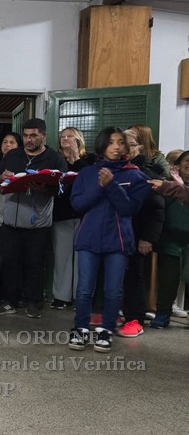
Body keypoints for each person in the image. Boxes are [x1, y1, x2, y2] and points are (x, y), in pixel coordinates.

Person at [68, 127, 149, 352]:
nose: (116, 146)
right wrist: (101, 186)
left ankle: (106, 330)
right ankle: (80, 328)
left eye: (120, 142)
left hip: (119, 240)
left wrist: (111, 185)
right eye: (112, 142)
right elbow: (78, 204)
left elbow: (129, 208)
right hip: (89, 238)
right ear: (102, 145)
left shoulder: (135, 175)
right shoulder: (86, 173)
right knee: (84, 288)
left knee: (113, 290)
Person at [0, 118, 68, 319]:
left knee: (34, 264)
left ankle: (33, 302)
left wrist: (44, 188)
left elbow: (63, 188)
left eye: (33, 135)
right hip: (10, 219)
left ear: (44, 135)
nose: (28, 139)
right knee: (9, 262)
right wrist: (2, 177)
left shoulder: (55, 158)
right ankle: (9, 301)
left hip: (38, 221)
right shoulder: (13, 155)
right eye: (25, 135)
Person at [117, 129, 164, 337]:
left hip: (137, 233)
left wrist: (147, 237)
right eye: (120, 143)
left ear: (139, 147)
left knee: (134, 277)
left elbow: (156, 207)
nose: (124, 148)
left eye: (130, 144)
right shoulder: (113, 168)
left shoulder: (146, 171)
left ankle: (135, 319)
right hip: (114, 232)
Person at [147, 151, 189, 329]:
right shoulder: (164, 185)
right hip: (170, 241)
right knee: (168, 280)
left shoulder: (172, 187)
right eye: (186, 160)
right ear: (177, 166)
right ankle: (163, 313)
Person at [50, 127, 89, 310]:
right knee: (62, 258)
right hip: (62, 213)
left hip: (84, 216)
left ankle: (79, 296)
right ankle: (61, 297)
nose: (65, 139)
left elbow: (89, 179)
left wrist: (76, 157)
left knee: (82, 259)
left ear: (79, 139)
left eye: (70, 136)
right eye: (62, 137)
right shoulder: (56, 160)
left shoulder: (89, 160)